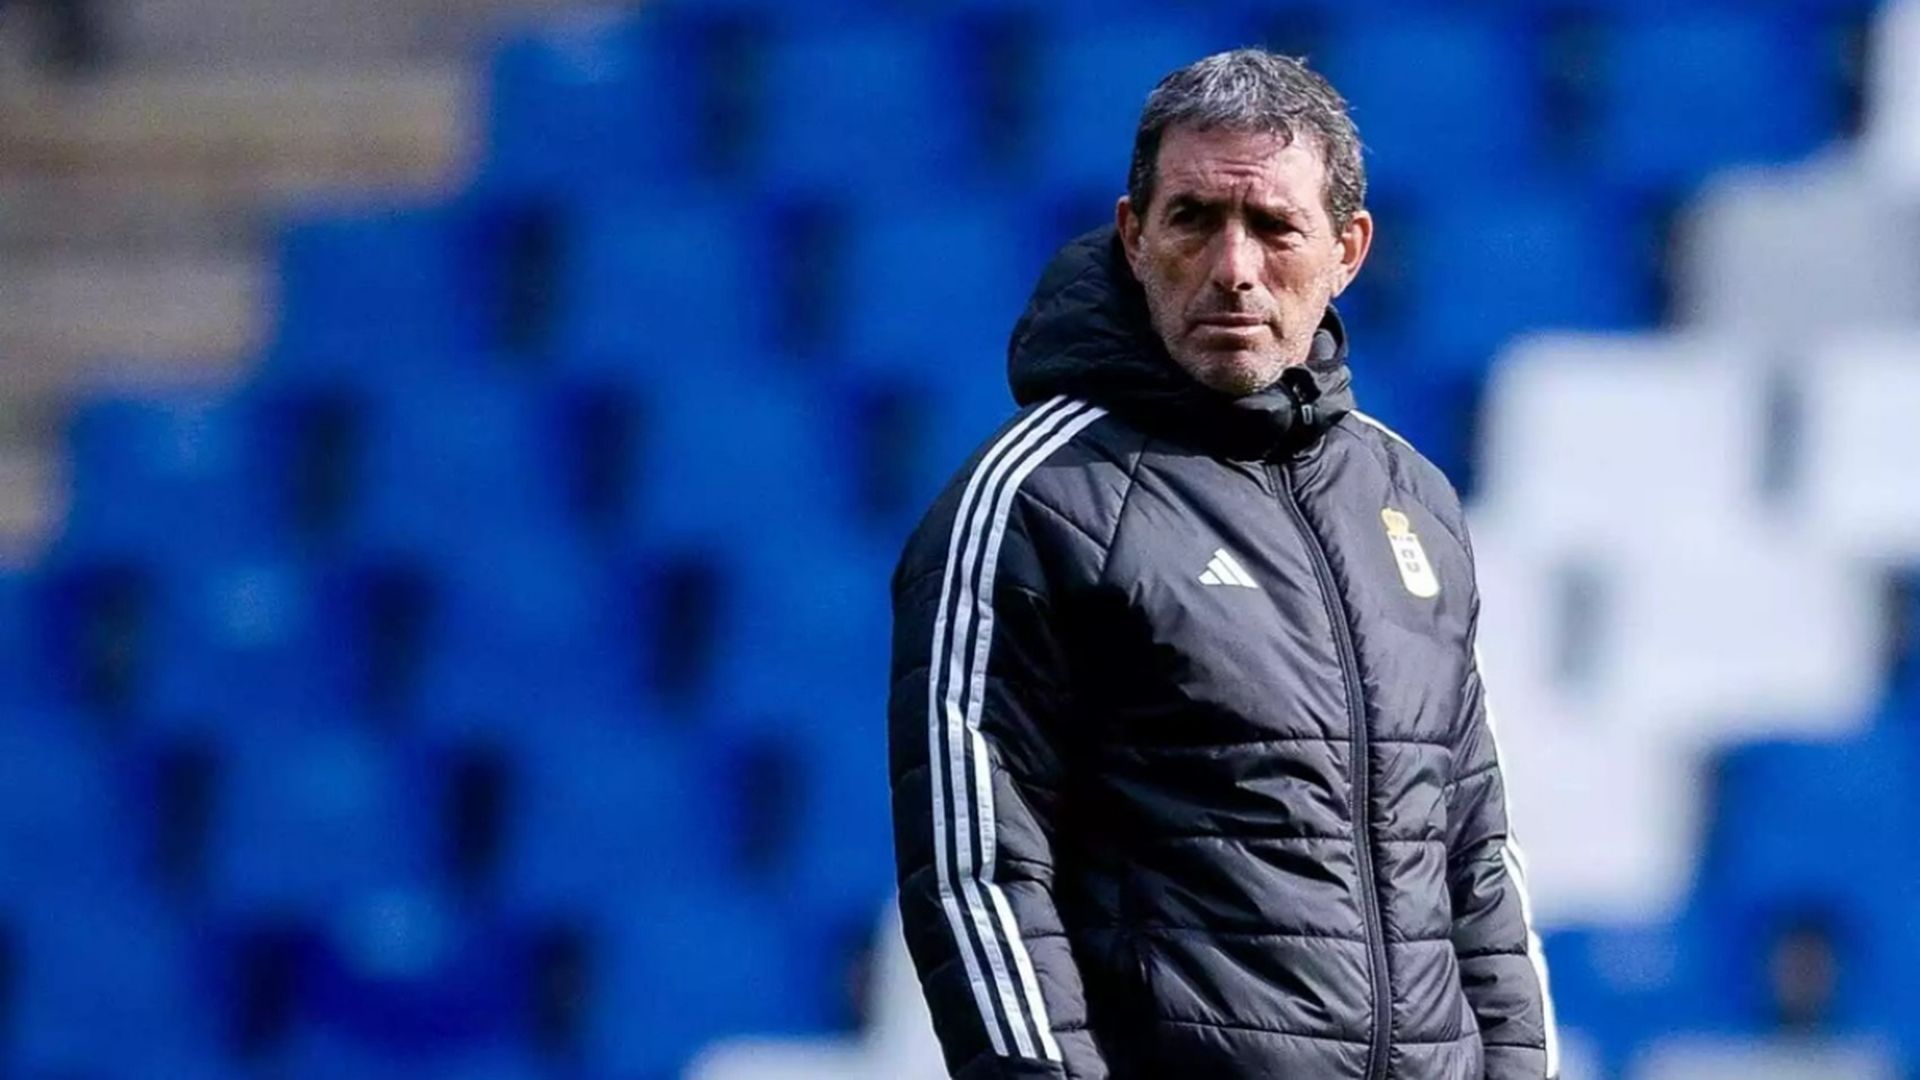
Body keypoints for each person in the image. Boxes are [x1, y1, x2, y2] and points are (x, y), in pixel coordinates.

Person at [886, 49, 1557, 1079]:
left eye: (1275, 226)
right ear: (1134, 235)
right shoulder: (1035, 500)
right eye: (1195, 219)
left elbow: (1474, 858)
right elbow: (980, 870)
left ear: (1348, 250)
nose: (1233, 267)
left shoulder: (1410, 498)